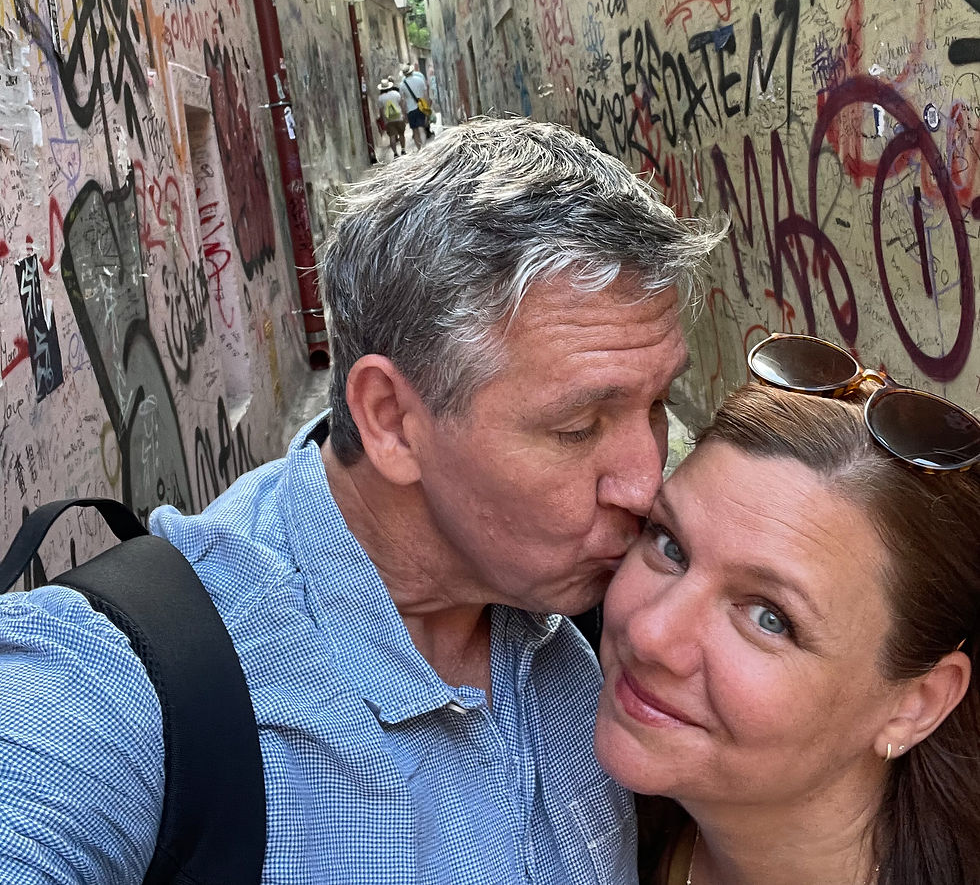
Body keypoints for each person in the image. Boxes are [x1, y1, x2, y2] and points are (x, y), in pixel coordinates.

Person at [0, 117, 721, 885]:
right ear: (390, 420)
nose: (647, 485)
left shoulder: (604, 602)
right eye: (578, 426)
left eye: (658, 405)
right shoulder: (128, 688)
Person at [594, 333, 980, 885]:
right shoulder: (589, 816)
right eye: (669, 546)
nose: (650, 633)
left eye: (768, 617)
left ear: (916, 704)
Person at [400, 60, 431, 149]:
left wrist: (404, 113)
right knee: (421, 128)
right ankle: (424, 147)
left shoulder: (402, 85)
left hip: (410, 109)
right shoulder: (420, 80)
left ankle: (419, 149)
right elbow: (425, 95)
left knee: (415, 131)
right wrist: (427, 107)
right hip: (421, 107)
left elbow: (403, 100)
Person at [377, 75, 406, 157]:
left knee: (392, 137)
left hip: (389, 120)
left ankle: (395, 153)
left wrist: (384, 121)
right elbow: (401, 105)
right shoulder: (396, 94)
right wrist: (404, 114)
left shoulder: (381, 98)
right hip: (399, 117)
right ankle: (403, 150)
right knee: (401, 134)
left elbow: (381, 111)